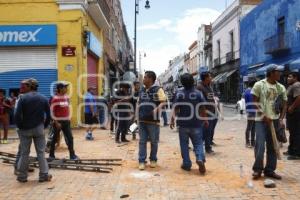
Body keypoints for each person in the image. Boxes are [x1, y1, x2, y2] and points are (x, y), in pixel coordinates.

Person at [251, 65, 287, 180]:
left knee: (273, 147)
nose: (280, 74)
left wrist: (281, 119)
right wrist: (263, 115)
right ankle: (257, 169)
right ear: (271, 73)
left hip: (274, 120)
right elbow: (254, 102)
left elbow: (284, 104)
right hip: (261, 121)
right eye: (278, 72)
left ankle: (270, 170)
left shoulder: (281, 87)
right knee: (260, 146)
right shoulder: (259, 85)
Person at [14, 78, 52, 183]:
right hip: (39, 128)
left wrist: (20, 126)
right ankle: (43, 175)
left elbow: (17, 115)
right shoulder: (43, 98)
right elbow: (49, 115)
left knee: (24, 153)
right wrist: (44, 126)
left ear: (30, 86)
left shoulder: (22, 98)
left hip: (25, 129)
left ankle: (22, 176)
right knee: (41, 153)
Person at [170, 73, 208, 174]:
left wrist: (172, 120)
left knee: (184, 144)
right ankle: (199, 158)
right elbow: (203, 107)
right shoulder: (198, 93)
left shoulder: (179, 94)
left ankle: (186, 164)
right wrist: (205, 119)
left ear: (182, 82)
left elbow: (175, 108)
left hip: (183, 125)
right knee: (198, 143)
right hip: (196, 124)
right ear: (193, 81)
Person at [137, 71, 167, 170]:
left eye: (145, 77)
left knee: (154, 142)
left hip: (153, 121)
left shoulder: (158, 90)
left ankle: (153, 159)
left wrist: (156, 110)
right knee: (142, 141)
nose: (143, 79)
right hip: (142, 120)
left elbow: (163, 102)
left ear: (150, 79)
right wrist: (136, 117)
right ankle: (141, 161)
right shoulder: (142, 90)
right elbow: (138, 102)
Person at [48, 82, 78, 161]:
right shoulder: (55, 99)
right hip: (58, 122)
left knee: (70, 138)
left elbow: (67, 108)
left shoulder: (66, 97)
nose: (66, 89)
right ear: (60, 89)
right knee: (55, 138)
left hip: (66, 121)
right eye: (65, 87)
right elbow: (51, 111)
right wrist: (56, 122)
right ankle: (51, 155)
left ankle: (72, 155)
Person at [14, 79, 35, 175]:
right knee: (22, 148)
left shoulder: (23, 96)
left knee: (24, 147)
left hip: (25, 125)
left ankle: (24, 165)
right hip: (23, 126)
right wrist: (21, 125)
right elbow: (18, 113)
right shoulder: (23, 97)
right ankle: (17, 168)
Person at [197, 72, 218, 154]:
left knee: (209, 130)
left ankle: (208, 146)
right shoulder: (200, 87)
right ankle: (203, 147)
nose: (211, 77)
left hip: (212, 112)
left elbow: (211, 97)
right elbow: (200, 102)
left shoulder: (208, 86)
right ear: (206, 78)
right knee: (205, 131)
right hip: (205, 113)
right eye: (210, 76)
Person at [285, 72, 300, 160]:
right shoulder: (292, 86)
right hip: (291, 113)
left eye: (290, 77)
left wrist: (292, 107)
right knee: (292, 132)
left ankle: (297, 153)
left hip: (296, 113)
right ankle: (291, 150)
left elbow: (299, 97)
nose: (287, 78)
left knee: (296, 133)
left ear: (295, 78)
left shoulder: (296, 85)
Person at [244, 81, 256, 148]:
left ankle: (250, 142)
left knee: (251, 127)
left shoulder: (246, 91)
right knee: (251, 128)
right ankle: (249, 142)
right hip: (252, 111)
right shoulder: (251, 92)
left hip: (250, 111)